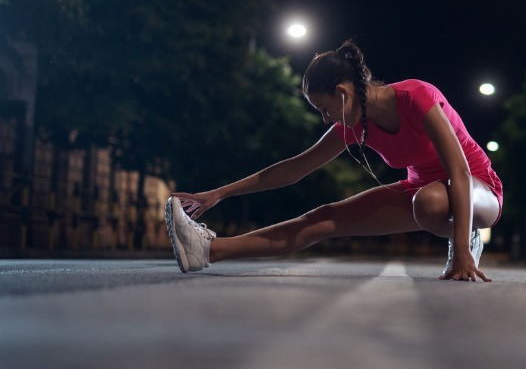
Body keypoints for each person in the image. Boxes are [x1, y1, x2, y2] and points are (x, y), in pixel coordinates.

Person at [166, 39, 503, 281]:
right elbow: (293, 169)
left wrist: (460, 252)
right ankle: (208, 250)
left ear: (342, 93)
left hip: (478, 188)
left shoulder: (417, 97)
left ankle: (466, 237)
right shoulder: (353, 125)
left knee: (428, 201)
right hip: (422, 192)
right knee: (322, 219)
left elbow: (458, 171)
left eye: (325, 109)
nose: (326, 120)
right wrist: (218, 194)